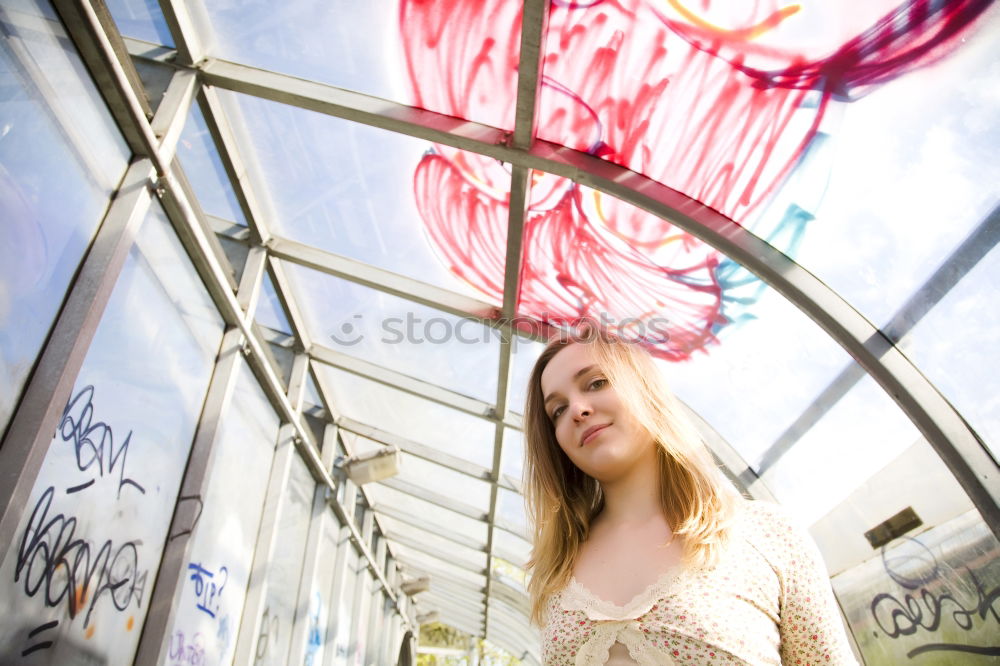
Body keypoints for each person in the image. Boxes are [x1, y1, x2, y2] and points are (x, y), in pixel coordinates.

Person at [522, 328, 859, 665]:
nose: (578, 410)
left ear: (645, 388)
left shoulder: (766, 534)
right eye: (558, 410)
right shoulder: (556, 573)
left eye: (596, 383)